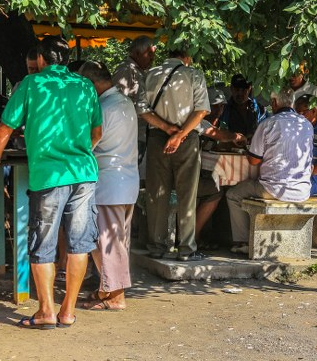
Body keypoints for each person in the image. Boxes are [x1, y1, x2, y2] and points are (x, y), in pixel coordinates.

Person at [0, 36, 102, 329]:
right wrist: (78, 151)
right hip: (83, 174)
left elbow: (5, 127)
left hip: (48, 176)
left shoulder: (32, 84)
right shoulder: (84, 85)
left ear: (40, 59)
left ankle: (46, 311)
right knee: (79, 245)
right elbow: (97, 132)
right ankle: (68, 311)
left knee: (43, 245)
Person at [136, 44, 210, 261]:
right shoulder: (193, 74)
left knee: (157, 193)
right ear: (187, 56)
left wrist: (167, 129)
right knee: (187, 193)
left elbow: (142, 109)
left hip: (158, 137)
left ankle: (157, 246)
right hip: (187, 139)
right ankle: (186, 248)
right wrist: (179, 135)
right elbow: (202, 110)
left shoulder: (151, 74)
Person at [79, 61, 139, 310]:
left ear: (93, 84)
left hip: (109, 183)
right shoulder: (124, 103)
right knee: (116, 242)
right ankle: (108, 289)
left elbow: (88, 143)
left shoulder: (103, 107)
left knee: (107, 242)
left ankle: (115, 295)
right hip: (126, 182)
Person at [226, 87, 313, 253]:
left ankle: (243, 241)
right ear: (292, 102)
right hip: (303, 189)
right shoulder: (306, 125)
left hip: (273, 189)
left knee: (233, 194)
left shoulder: (268, 124)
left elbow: (253, 160)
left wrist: (247, 149)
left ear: (274, 102)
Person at [195, 88, 247, 243]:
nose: (219, 109)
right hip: (194, 174)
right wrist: (234, 137)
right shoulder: (200, 122)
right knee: (216, 191)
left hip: (210, 169)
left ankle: (216, 235)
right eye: (215, 106)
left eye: (222, 106)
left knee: (223, 187)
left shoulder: (222, 124)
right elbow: (219, 136)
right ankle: (194, 236)